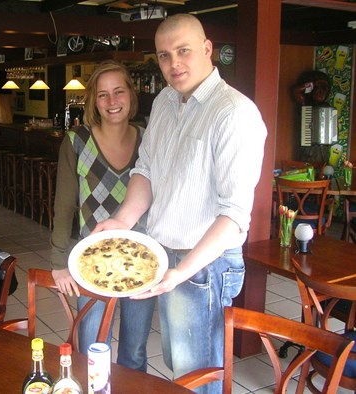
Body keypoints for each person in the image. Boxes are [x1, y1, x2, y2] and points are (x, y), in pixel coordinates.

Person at [92, 14, 267, 393]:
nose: (174, 64)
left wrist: (181, 271)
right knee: (178, 364)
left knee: (196, 374)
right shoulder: (165, 102)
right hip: (166, 254)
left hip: (204, 265)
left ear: (207, 50)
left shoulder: (234, 113)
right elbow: (147, 170)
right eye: (164, 55)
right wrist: (123, 219)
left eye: (183, 51)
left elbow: (235, 216)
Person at [50, 60, 156, 371]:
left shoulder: (148, 139)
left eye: (119, 92)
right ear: (93, 101)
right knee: (93, 349)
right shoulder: (77, 142)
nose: (112, 102)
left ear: (131, 95)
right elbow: (63, 205)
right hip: (91, 262)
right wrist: (58, 262)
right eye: (103, 95)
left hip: (141, 261)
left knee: (134, 352)